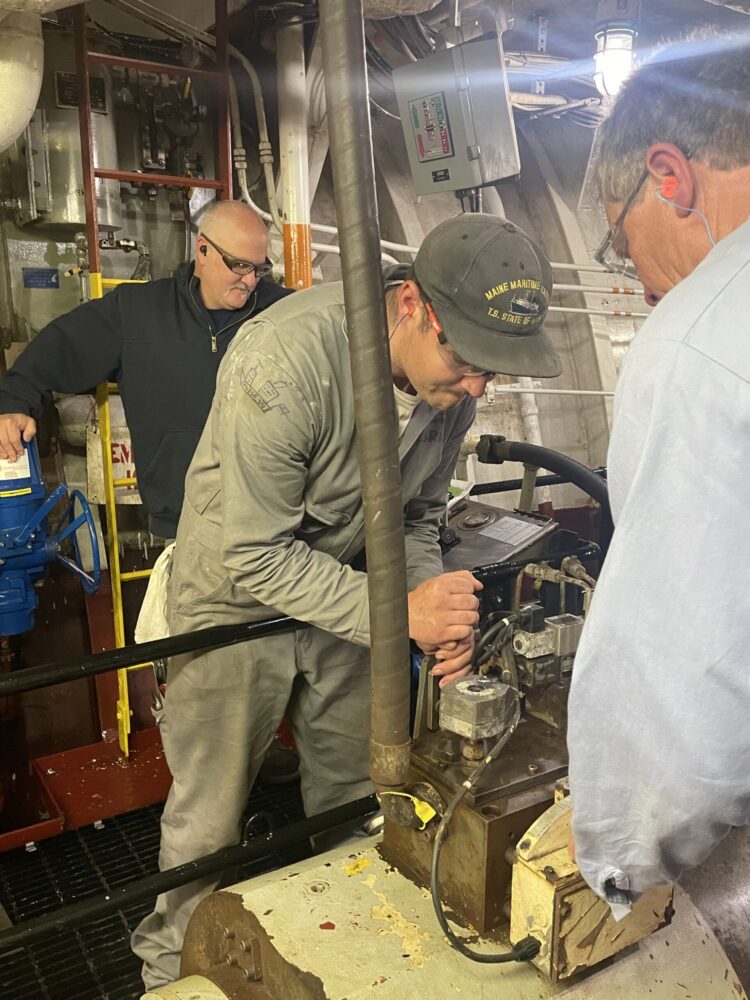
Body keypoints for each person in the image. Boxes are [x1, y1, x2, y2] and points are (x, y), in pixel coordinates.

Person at [131, 212, 562, 988]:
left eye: (494, 374)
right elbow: (254, 553)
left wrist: (426, 600)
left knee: (355, 800)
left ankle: (350, 962)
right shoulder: (286, 360)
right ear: (412, 306)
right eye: (469, 362)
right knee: (206, 826)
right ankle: (168, 977)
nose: (476, 388)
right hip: (233, 602)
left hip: (345, 594)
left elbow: (417, 515)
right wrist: (400, 614)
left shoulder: (451, 388)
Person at [567, 30, 750, 916]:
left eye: (619, 239)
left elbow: (684, 695)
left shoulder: (701, 339)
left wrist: (623, 854)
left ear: (670, 176)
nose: (637, 282)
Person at [0, 200, 292, 539]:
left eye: (259, 268)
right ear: (203, 250)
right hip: (184, 524)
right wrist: (13, 403)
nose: (250, 280)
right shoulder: (138, 313)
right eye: (239, 265)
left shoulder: (286, 313)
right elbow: (58, 349)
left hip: (277, 521)